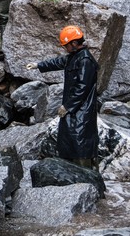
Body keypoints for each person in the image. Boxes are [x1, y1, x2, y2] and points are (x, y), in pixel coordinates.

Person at [26, 25, 99, 169]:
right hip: (76, 109)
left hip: (82, 111)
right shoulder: (75, 57)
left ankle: (86, 177)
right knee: (72, 141)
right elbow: (58, 62)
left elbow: (82, 88)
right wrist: (38, 65)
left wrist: (68, 106)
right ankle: (73, 175)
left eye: (66, 45)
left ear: (74, 43)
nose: (65, 48)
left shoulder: (85, 60)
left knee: (80, 144)